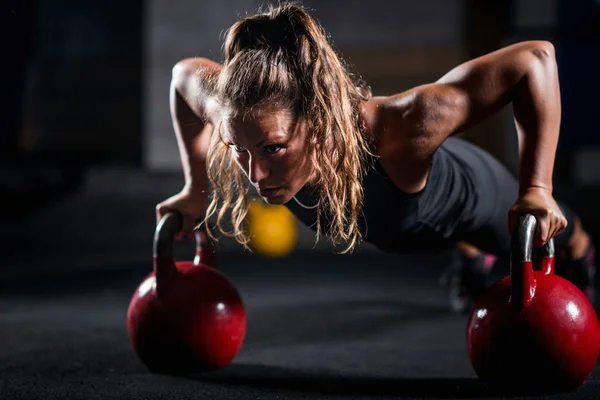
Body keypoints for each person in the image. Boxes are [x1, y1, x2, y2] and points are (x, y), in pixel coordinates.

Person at [155, 3, 596, 312]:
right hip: (404, 229)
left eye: (272, 148)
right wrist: (195, 190)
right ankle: (470, 258)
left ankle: (572, 251)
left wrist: (538, 189)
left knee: (562, 243)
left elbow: (536, 59)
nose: (255, 174)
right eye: (238, 150)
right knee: (435, 241)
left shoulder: (400, 126)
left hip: (471, 196)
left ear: (320, 121)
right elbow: (181, 79)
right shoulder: (239, 112)